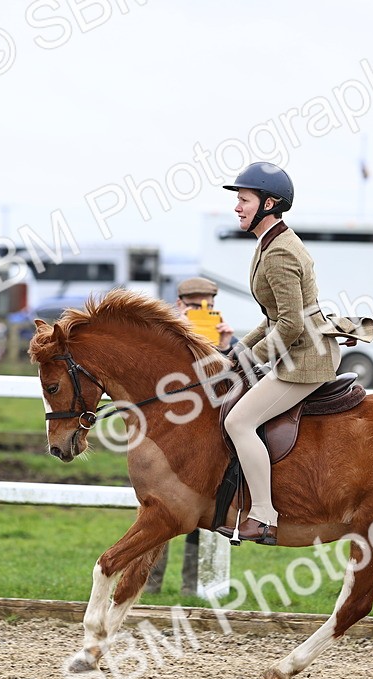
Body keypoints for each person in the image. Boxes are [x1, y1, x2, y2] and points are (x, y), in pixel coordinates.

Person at [215, 162, 342, 546]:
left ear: (269, 203)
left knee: (238, 423)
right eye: (237, 200)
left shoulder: (279, 254)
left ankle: (264, 517)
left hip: (307, 358)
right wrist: (236, 352)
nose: (237, 207)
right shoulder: (270, 243)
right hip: (296, 348)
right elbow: (270, 318)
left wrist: (253, 358)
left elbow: (290, 326)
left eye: (244, 200)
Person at [145, 276, 237, 594]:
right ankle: (150, 585)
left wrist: (224, 348)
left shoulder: (221, 340)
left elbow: (229, 386)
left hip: (203, 437)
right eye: (197, 306)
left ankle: (191, 588)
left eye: (209, 306)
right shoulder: (161, 341)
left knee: (200, 507)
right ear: (181, 305)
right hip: (168, 438)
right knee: (159, 508)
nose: (204, 311)